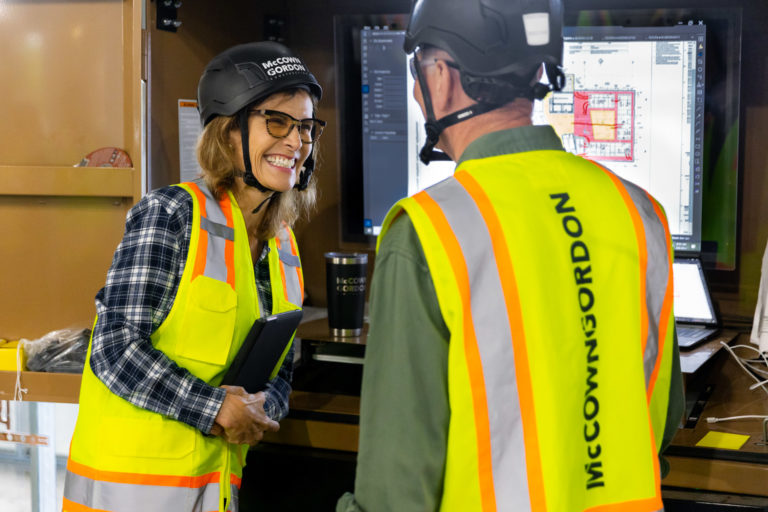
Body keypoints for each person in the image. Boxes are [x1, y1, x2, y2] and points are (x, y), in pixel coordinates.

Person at [337, 1, 683, 511]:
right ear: (539, 73)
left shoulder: (431, 230)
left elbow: (397, 486)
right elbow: (663, 414)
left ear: (440, 77)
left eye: (416, 70)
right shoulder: (640, 211)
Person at [63, 41, 325, 512]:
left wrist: (263, 410)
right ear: (228, 133)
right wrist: (217, 408)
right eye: (279, 122)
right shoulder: (171, 214)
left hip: (215, 490)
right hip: (129, 493)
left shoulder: (282, 242)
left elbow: (279, 368)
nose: (297, 142)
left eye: (306, 127)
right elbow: (114, 347)